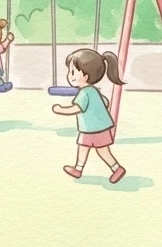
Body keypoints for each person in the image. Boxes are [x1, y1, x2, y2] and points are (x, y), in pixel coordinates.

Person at [53, 48, 126, 184]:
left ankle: (117, 168)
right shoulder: (93, 91)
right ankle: (78, 169)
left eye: (73, 72)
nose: (70, 75)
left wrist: (60, 109)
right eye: (70, 72)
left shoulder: (84, 93)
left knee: (103, 151)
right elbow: (105, 102)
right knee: (83, 147)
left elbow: (76, 108)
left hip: (94, 129)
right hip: (92, 127)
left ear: (86, 76)